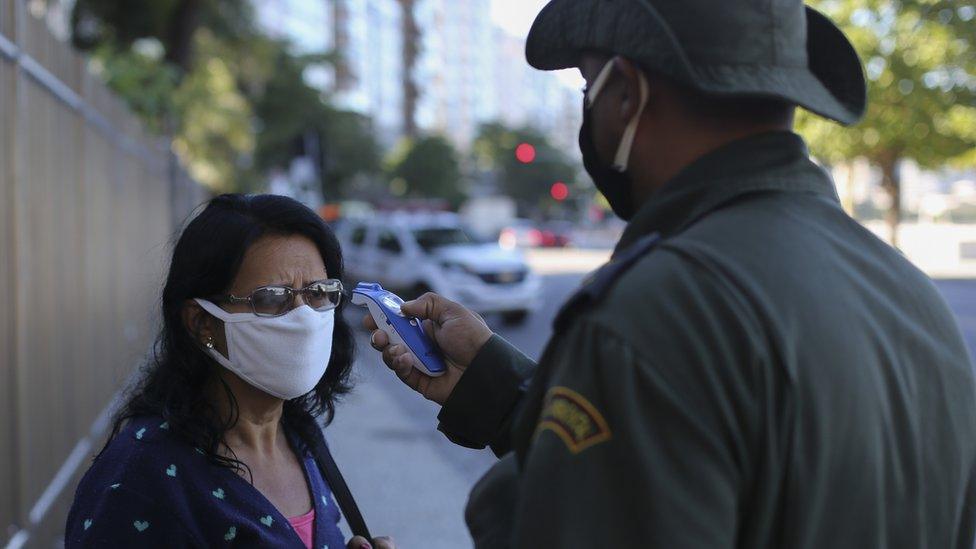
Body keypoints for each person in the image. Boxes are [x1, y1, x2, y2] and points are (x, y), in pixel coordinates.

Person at [366, 0, 976, 547]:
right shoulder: (912, 298)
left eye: (588, 84)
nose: (589, 107)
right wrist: (499, 390)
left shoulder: (656, 310)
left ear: (626, 94)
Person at [66, 195, 393, 549]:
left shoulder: (301, 435)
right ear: (202, 322)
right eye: (272, 298)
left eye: (318, 292)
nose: (304, 317)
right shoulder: (139, 478)